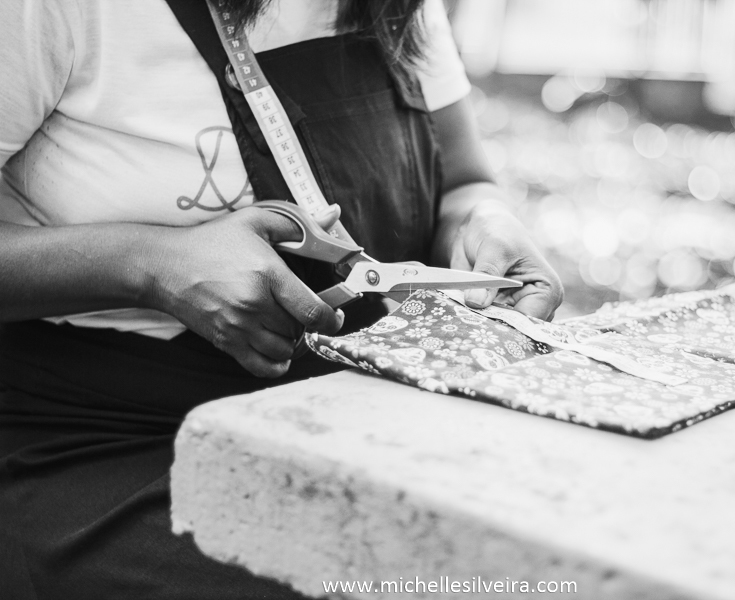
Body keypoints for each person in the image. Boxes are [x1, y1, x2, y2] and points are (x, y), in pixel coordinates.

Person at [0, 0, 563, 597]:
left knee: (532, 555)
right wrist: (149, 265)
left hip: (362, 420)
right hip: (111, 440)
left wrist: (485, 222)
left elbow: (464, 181)